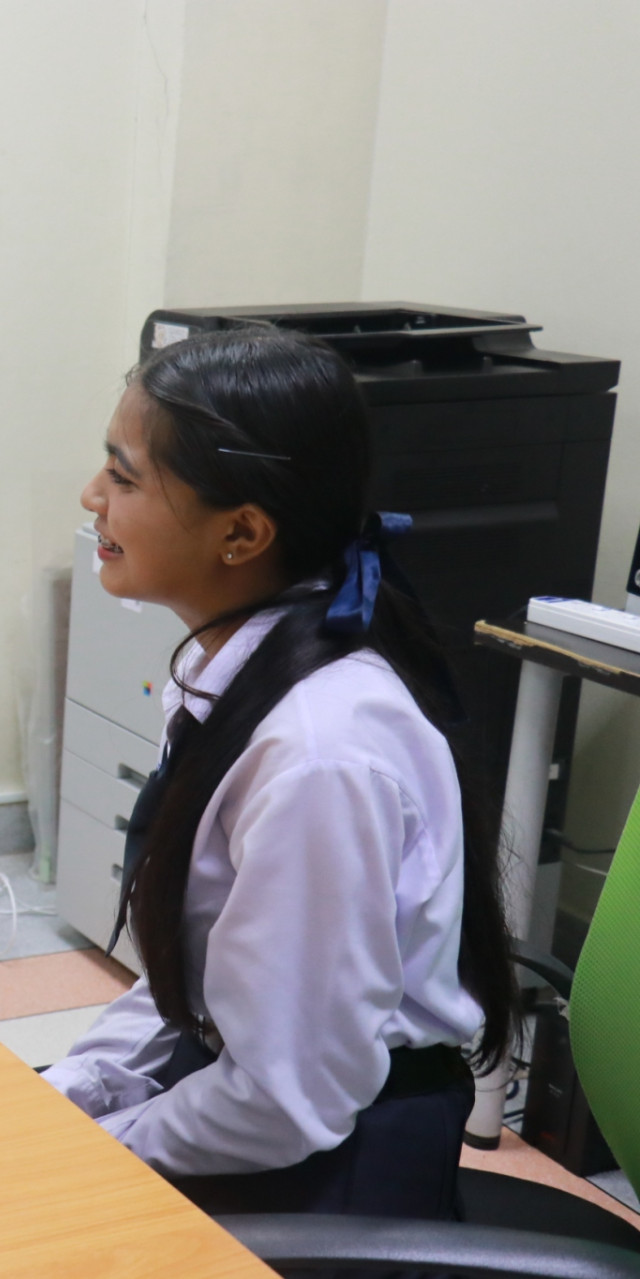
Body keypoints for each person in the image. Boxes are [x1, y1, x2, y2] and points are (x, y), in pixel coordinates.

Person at [41, 328, 516, 1220]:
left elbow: (287, 1102)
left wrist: (97, 1154)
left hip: (329, 1166)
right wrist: (76, 1090)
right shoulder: (234, 675)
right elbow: (195, 976)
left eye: (125, 478)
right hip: (248, 1099)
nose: (92, 496)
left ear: (242, 533)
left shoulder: (315, 756)